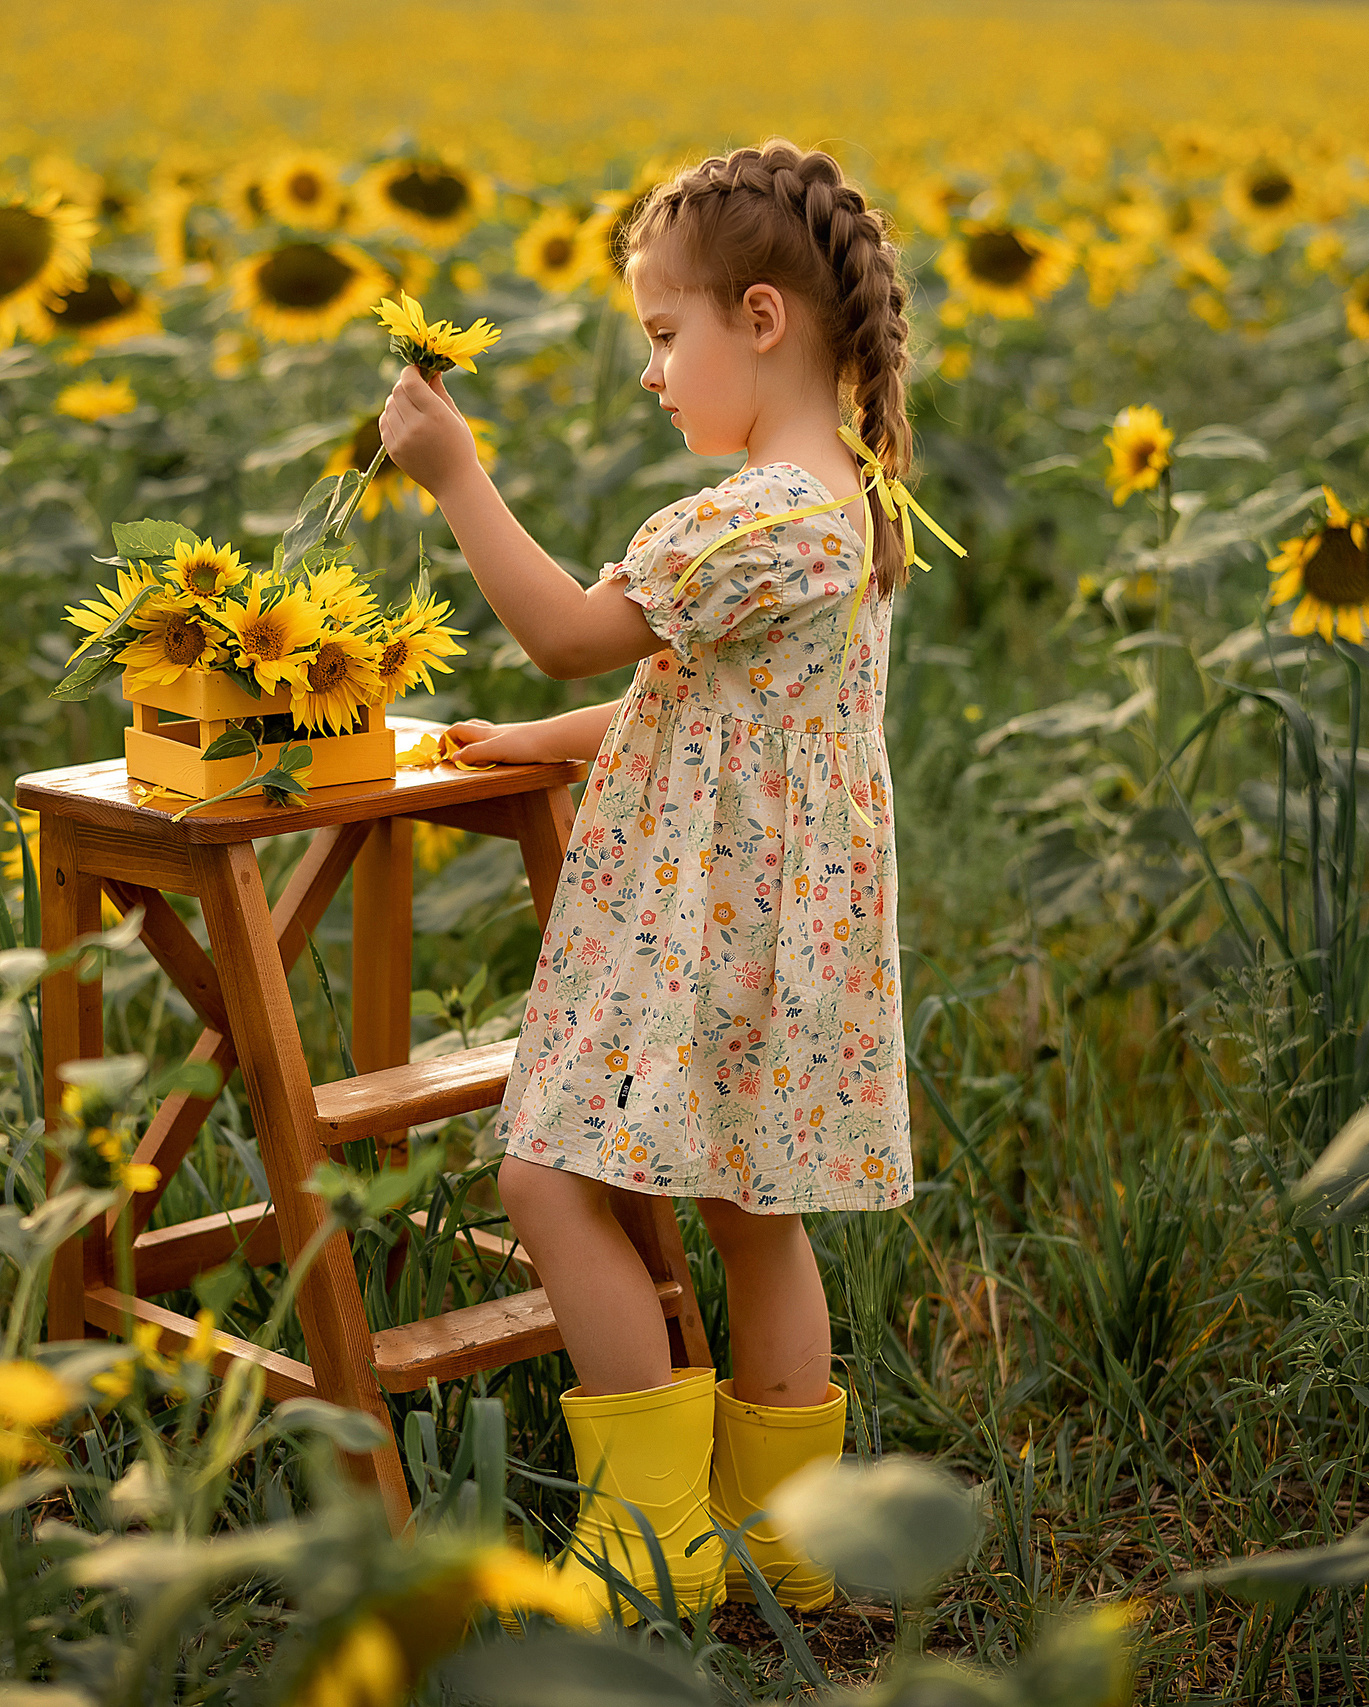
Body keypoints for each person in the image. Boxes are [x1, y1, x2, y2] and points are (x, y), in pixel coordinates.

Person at [375, 138, 952, 1621]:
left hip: (696, 926)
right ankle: (791, 1536)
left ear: (762, 321)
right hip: (792, 934)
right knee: (759, 1207)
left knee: (545, 1176)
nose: (652, 374)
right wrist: (547, 744)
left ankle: (652, 1546)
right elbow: (701, 697)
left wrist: (456, 474)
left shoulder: (740, 519)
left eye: (662, 335)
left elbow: (574, 631)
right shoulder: (852, 506)